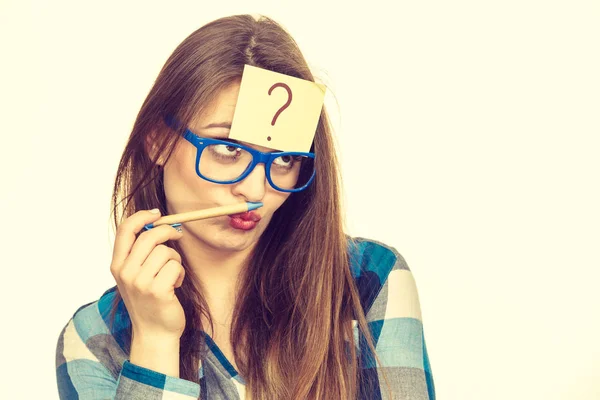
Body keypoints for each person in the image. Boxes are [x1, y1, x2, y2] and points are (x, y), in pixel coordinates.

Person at [55, 14, 435, 400]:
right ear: (157, 141)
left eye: (284, 160)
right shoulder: (92, 341)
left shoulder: (369, 281)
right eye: (227, 149)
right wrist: (154, 341)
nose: (255, 190)